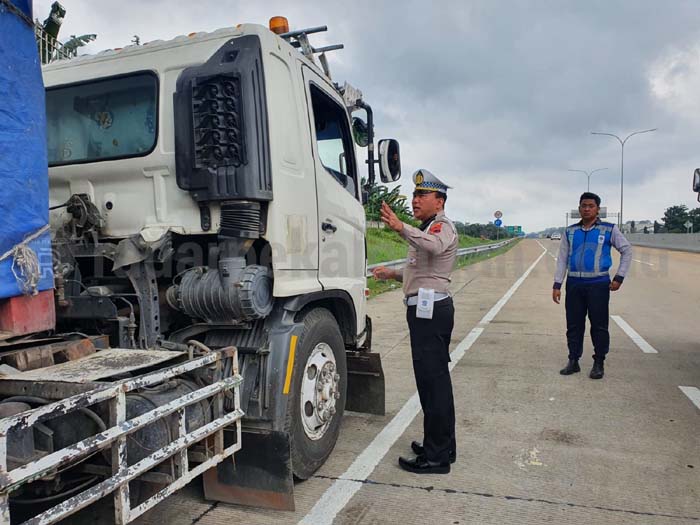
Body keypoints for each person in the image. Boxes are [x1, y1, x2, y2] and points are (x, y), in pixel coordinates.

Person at [372, 169, 458, 474]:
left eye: (422, 195)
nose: (415, 200)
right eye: (414, 194)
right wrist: (392, 274)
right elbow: (421, 272)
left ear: (439, 201)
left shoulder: (441, 227)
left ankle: (436, 458)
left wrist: (399, 226)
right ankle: (441, 444)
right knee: (434, 382)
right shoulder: (427, 227)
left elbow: (433, 248)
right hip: (424, 310)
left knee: (432, 383)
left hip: (431, 314)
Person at [552, 192, 632, 379]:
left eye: (590, 206)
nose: (586, 209)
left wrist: (619, 277)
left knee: (599, 326)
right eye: (583, 206)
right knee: (574, 325)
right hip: (574, 284)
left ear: (597, 209)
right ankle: (573, 361)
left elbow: (627, 250)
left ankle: (599, 362)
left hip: (598, 284)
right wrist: (557, 284)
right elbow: (562, 259)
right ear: (579, 208)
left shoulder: (608, 229)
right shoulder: (570, 232)